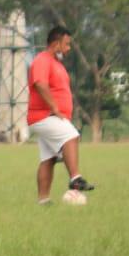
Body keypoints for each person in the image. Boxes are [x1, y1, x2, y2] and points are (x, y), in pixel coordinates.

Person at [26, 26, 94, 204]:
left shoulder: (56, 63)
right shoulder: (42, 60)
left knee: (48, 159)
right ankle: (75, 178)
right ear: (56, 44)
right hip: (45, 116)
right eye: (66, 44)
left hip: (49, 117)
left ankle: (43, 200)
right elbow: (40, 84)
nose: (68, 48)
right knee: (71, 135)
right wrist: (55, 108)